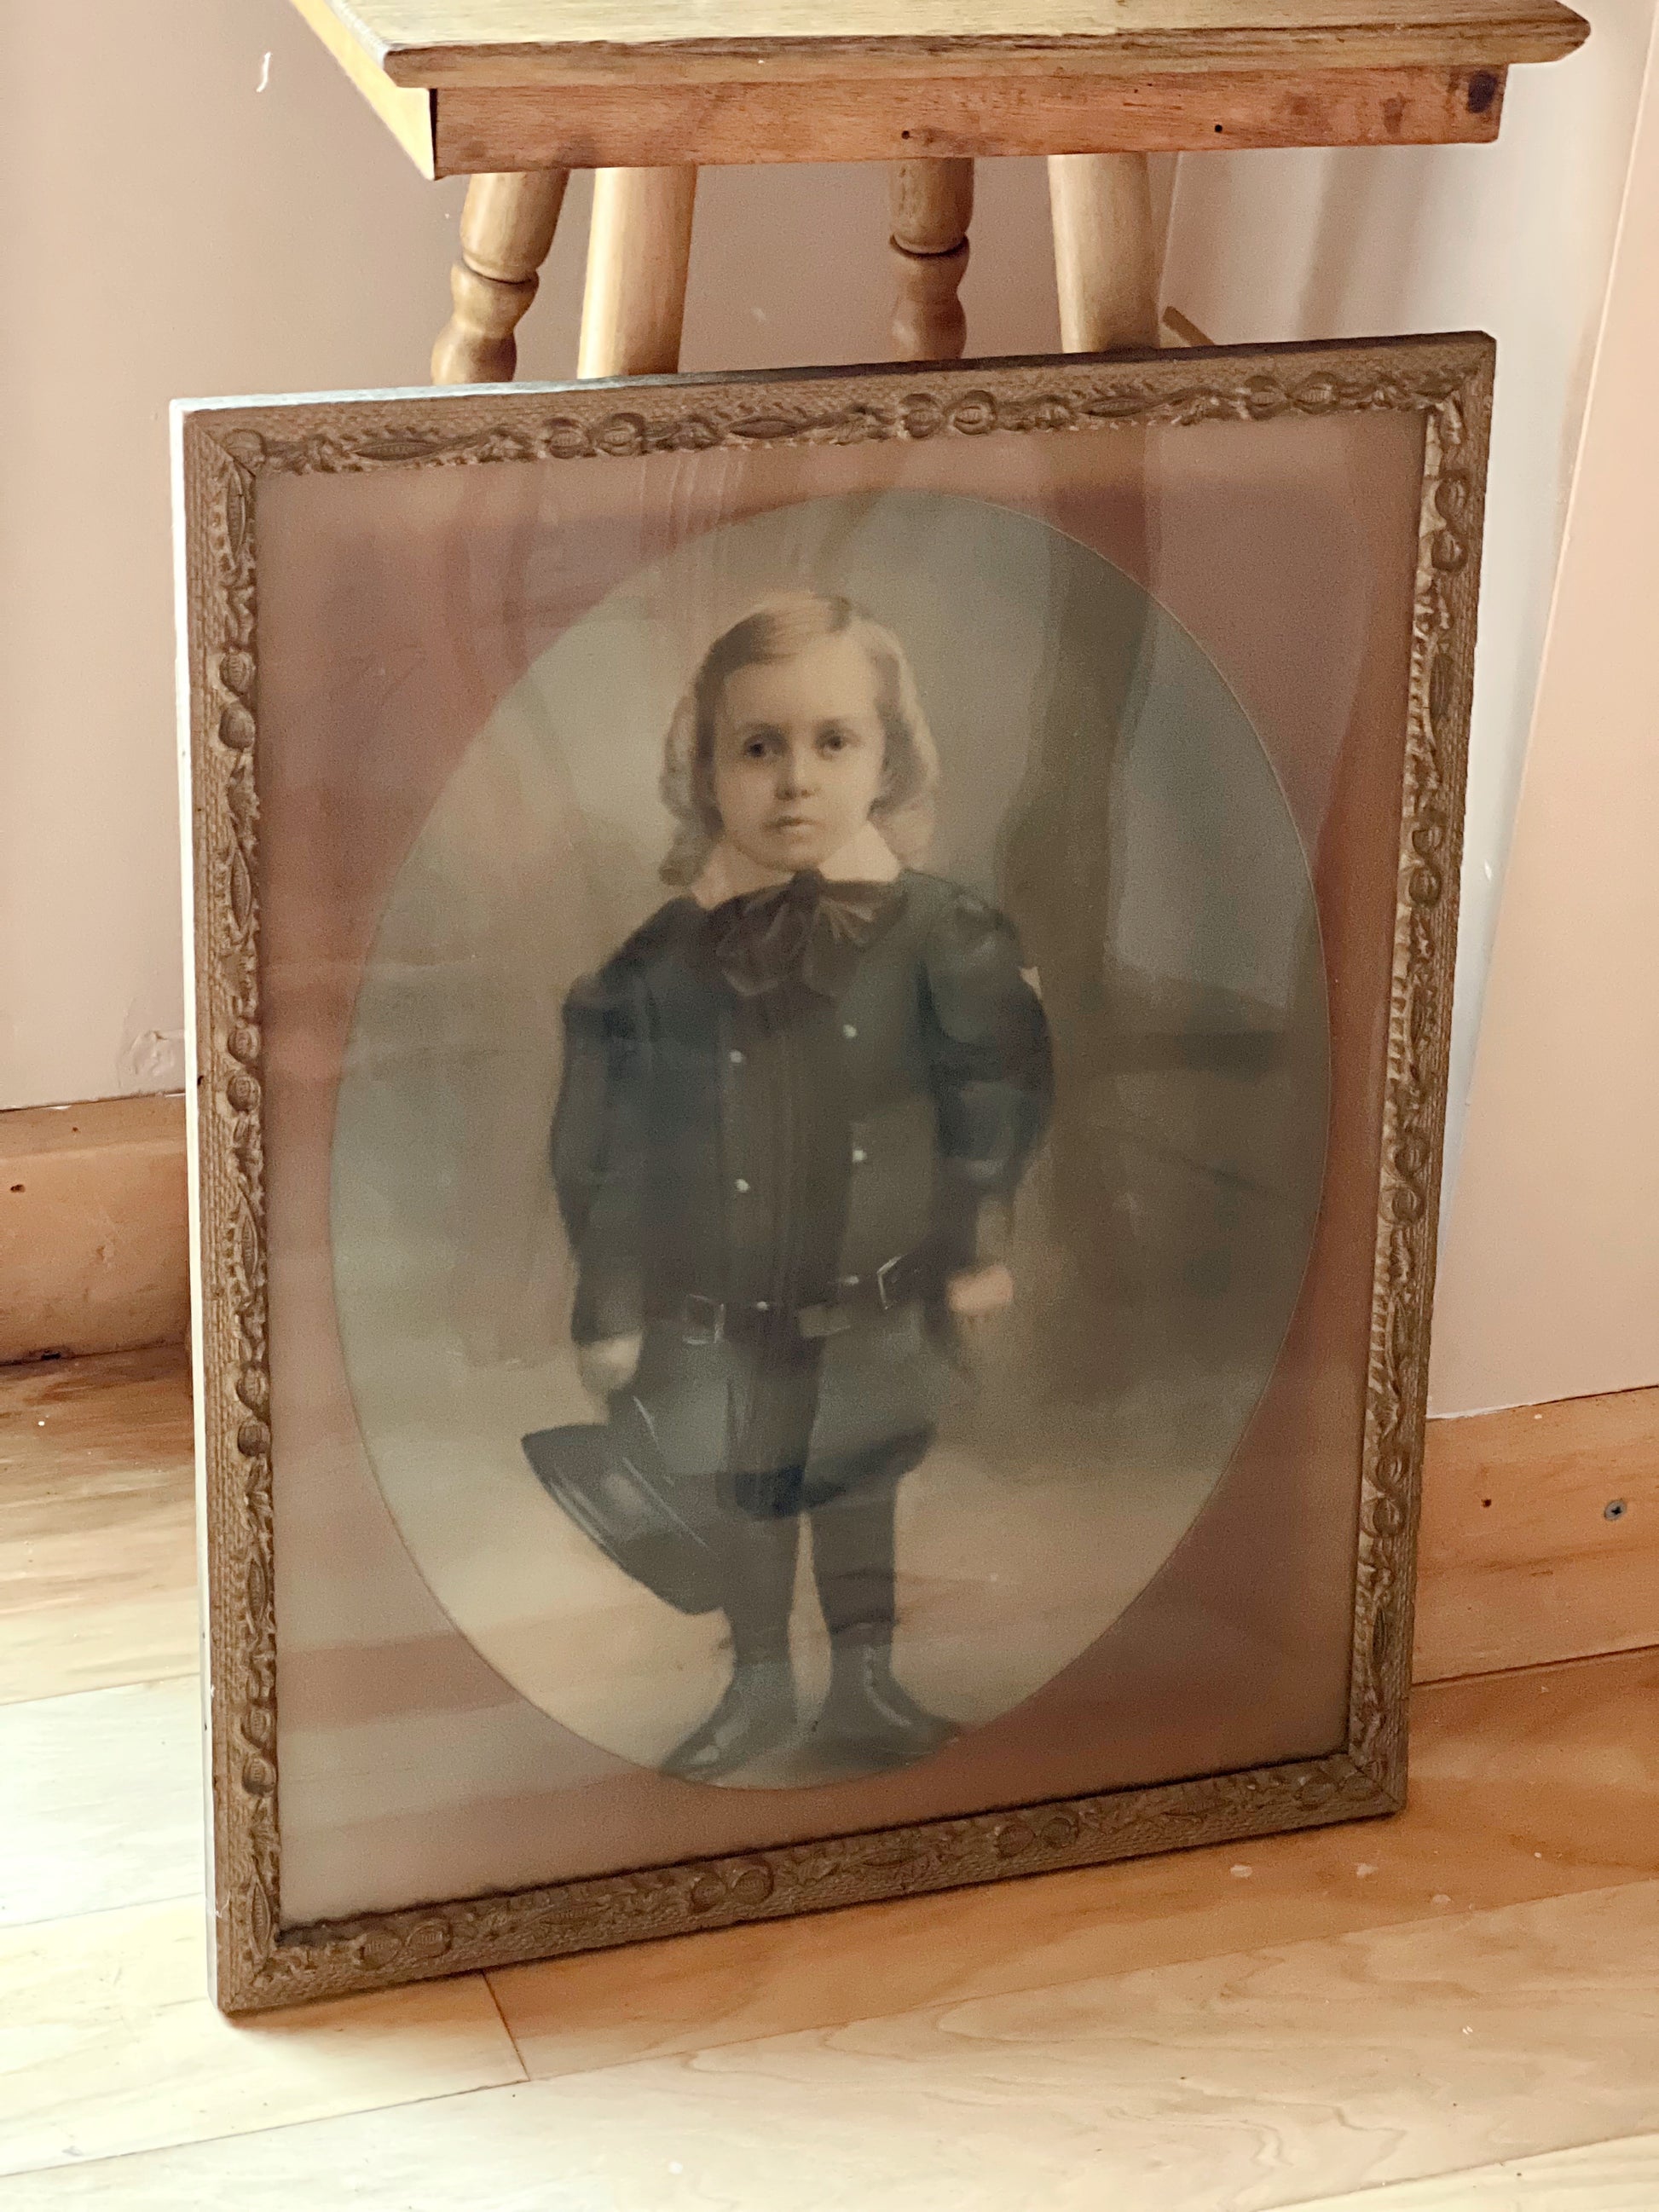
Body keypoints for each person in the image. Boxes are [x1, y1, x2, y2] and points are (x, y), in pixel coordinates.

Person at [551, 591, 1052, 1782]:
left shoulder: (946, 934)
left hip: (871, 1292)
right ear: (705, 772)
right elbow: (601, 1147)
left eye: (834, 742)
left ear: (887, 760)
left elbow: (1000, 1082)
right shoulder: (654, 968)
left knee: (859, 1474)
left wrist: (976, 1229)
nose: (794, 782)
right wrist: (611, 1303)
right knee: (742, 1490)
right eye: (757, 747)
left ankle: (867, 1684)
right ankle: (758, 1685)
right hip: (717, 1310)